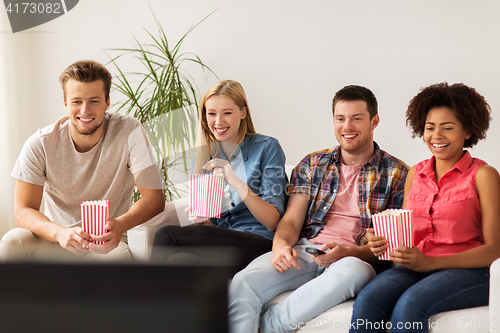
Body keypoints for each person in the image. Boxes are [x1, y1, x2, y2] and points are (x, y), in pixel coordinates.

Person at [228, 85, 409, 333]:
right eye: (340, 118)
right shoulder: (313, 164)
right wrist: (281, 245)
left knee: (353, 271)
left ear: (374, 121)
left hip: (353, 259)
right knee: (243, 282)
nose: (348, 126)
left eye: (357, 118)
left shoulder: (397, 174)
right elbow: (291, 221)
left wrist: (349, 252)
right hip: (307, 250)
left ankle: (272, 325)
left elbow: (387, 246)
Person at [349, 82, 500, 333]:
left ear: (467, 131)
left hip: (470, 272)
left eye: (447, 128)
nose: (436, 136)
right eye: (430, 128)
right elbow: (406, 233)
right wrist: (380, 242)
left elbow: (495, 249)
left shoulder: (483, 175)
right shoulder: (415, 173)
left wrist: (429, 263)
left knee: (411, 303)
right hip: (416, 265)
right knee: (368, 299)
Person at [0, 60, 165, 261]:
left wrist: (120, 224)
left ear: (107, 102)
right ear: (65, 103)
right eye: (77, 101)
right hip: (57, 241)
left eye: (94, 101)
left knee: (117, 261)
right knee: (12, 241)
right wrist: (59, 233)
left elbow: (154, 198)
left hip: (107, 245)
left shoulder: (129, 131)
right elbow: (23, 211)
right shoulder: (40, 143)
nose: (85, 110)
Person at [151, 80, 288, 270]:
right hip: (228, 239)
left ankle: (138, 298)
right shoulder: (206, 156)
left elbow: (272, 221)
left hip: (259, 240)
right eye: (212, 113)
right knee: (179, 260)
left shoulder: (267, 147)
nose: (218, 121)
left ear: (243, 113)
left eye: (227, 113)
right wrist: (204, 222)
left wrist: (236, 182)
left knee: (166, 235)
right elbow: (217, 226)